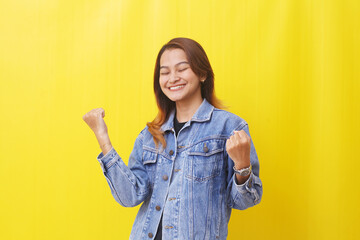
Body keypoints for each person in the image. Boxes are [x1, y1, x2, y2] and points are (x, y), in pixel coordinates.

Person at [82, 37, 263, 240]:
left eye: (182, 69)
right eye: (165, 72)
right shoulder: (149, 136)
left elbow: (246, 200)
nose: (172, 78)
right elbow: (130, 196)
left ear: (202, 73)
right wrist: (103, 138)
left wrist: (242, 165)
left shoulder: (229, 128)